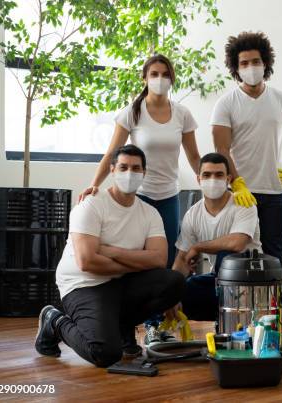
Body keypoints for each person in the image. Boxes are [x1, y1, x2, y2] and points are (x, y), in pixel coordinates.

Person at [78, 54, 200, 345]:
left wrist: (212, 185)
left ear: (171, 78)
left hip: (169, 196)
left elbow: (194, 157)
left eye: (165, 73)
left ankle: (155, 327)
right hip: (139, 197)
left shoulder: (182, 114)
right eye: (154, 73)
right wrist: (94, 185)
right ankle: (128, 323)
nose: (159, 78)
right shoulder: (132, 112)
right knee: (135, 260)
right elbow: (112, 153)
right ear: (145, 78)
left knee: (165, 263)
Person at [35, 145, 185, 368]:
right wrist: (135, 262)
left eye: (136, 168)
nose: (129, 173)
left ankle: (121, 326)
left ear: (144, 173)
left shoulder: (149, 213)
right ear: (112, 170)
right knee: (104, 353)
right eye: (123, 167)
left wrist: (110, 250)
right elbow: (87, 261)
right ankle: (54, 320)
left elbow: (158, 260)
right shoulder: (91, 205)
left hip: (119, 281)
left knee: (173, 281)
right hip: (83, 284)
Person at [211, 31, 282, 325]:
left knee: (275, 257)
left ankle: (275, 323)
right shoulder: (226, 103)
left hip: (275, 192)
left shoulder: (281, 99)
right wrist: (236, 182)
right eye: (244, 62)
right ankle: (225, 321)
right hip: (240, 194)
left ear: (265, 63)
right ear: (235, 67)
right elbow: (221, 149)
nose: (251, 66)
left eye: (256, 61)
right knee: (229, 255)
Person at [170, 152, 260, 322]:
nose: (213, 179)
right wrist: (172, 295)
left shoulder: (245, 204)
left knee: (227, 257)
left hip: (252, 279)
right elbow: (182, 258)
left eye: (219, 175)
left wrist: (197, 247)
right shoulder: (193, 214)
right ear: (198, 179)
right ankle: (224, 322)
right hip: (219, 281)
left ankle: (239, 324)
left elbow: (237, 243)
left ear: (228, 179)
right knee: (177, 289)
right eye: (207, 175)